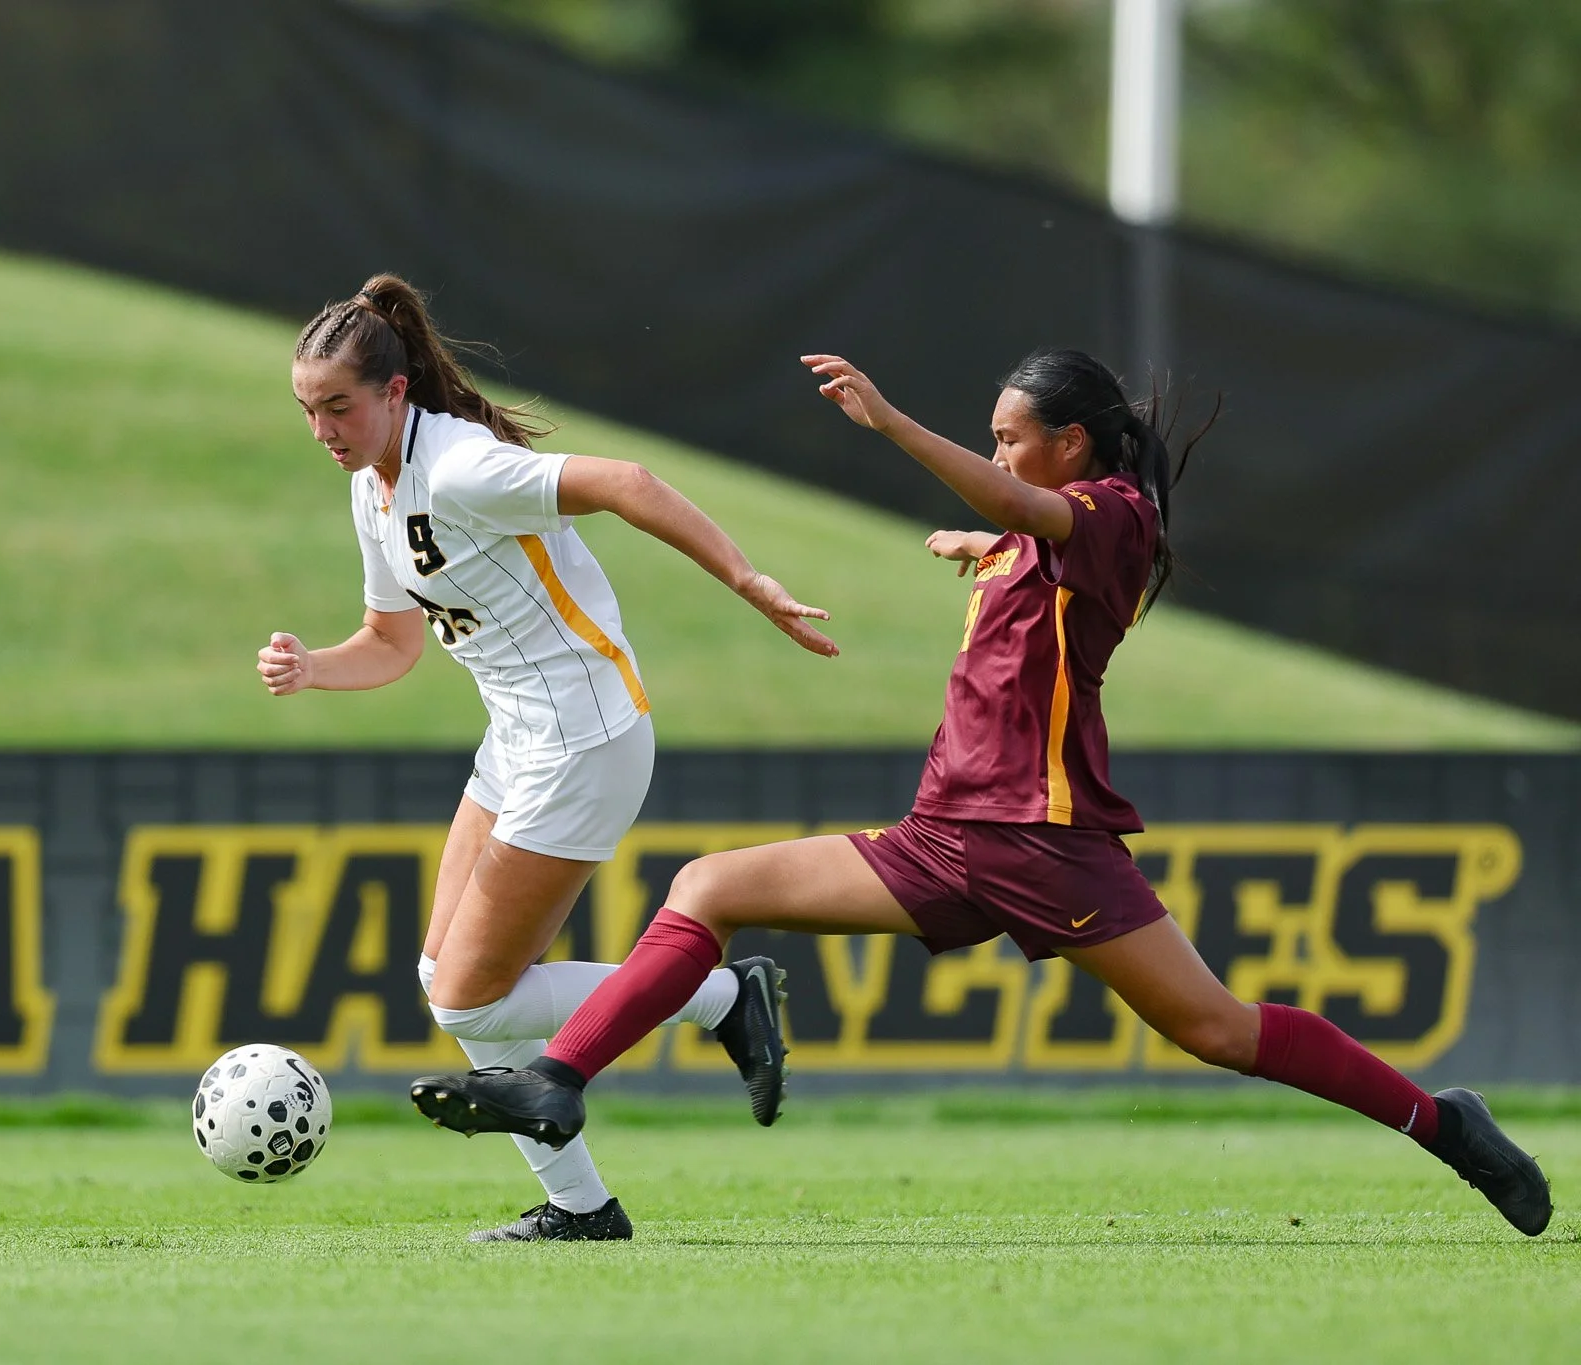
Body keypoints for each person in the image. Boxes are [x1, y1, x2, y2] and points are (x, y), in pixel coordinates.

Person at [410, 348, 1553, 1238]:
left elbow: (1041, 524)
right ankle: (558, 1079)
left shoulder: (1114, 515)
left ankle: (1442, 1123)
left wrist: (895, 427)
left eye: (1012, 440)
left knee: (1216, 1030)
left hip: (1038, 841)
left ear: (1071, 443)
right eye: (989, 439)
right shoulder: (1041, 531)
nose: (998, 456)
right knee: (706, 886)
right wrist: (982, 545)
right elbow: (1022, 538)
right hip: (942, 836)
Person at [263, 274, 832, 1241]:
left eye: (339, 405)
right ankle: (586, 1203)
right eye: (308, 409)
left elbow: (630, 482)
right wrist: (316, 668)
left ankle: (721, 999)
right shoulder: (375, 488)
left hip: (586, 740)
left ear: (395, 393)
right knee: (449, 985)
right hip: (519, 738)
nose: (323, 428)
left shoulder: (460, 468)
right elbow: (393, 642)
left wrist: (748, 580)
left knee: (468, 1000)